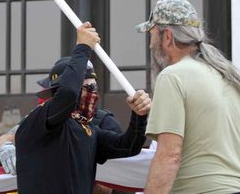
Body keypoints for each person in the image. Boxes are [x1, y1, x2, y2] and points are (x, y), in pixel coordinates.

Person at [14, 22, 152, 194]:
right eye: (86, 88)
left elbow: (128, 146)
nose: (92, 94)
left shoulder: (88, 129)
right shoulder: (39, 119)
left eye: (94, 87)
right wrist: (83, 47)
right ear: (58, 92)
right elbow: (68, 95)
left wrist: (139, 116)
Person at [135, 0, 240, 193]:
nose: (151, 46)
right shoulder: (229, 76)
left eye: (152, 36)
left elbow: (170, 154)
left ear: (167, 36)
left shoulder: (173, 76)